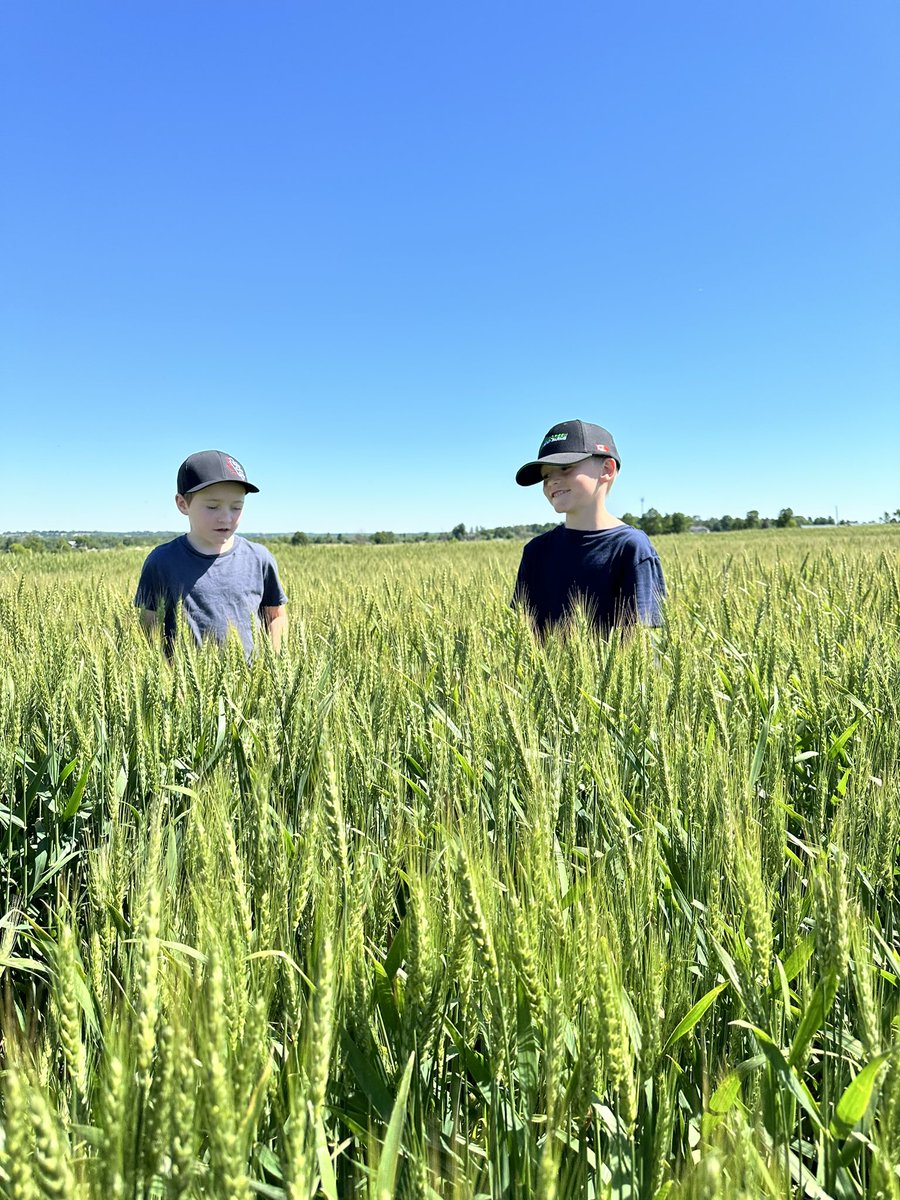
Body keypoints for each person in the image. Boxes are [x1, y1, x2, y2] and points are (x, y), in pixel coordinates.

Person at [513, 419, 665, 636]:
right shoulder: (535, 551)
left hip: (613, 660)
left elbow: (640, 642)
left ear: (607, 469)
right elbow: (524, 631)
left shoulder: (631, 548)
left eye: (565, 468)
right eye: (546, 476)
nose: (552, 481)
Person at [135, 449, 288, 657]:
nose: (226, 517)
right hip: (182, 677)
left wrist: (275, 660)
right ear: (182, 504)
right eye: (213, 507)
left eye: (236, 507)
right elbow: (148, 628)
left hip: (251, 676)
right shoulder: (161, 562)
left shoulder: (259, 558)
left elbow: (276, 615)